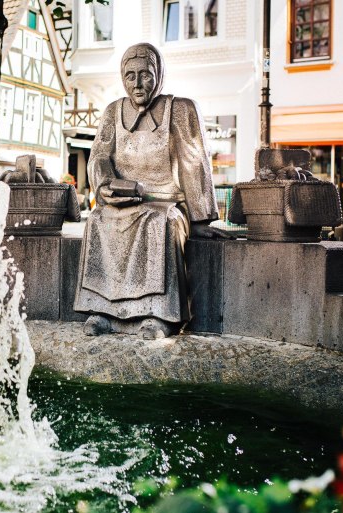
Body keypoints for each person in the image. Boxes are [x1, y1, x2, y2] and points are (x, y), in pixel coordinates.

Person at [74, 43, 232, 340]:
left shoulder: (180, 109)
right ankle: (103, 311)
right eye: (129, 75)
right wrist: (106, 185)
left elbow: (194, 161)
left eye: (145, 75)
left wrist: (199, 221)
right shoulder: (112, 112)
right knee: (97, 220)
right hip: (123, 201)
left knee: (161, 222)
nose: (136, 83)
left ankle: (158, 314)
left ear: (158, 75)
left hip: (168, 201)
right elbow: (99, 157)